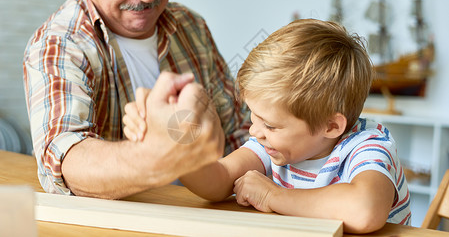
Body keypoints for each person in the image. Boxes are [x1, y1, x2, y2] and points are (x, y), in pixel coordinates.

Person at [124, 19, 411, 234]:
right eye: (254, 116)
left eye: (270, 125)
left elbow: (365, 210)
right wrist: (176, 147)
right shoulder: (273, 146)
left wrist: (274, 195)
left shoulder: (369, 145)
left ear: (331, 126)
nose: (254, 131)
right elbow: (219, 180)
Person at [23, 0, 250, 199]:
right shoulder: (58, 44)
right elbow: (66, 160)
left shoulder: (191, 27)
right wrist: (158, 155)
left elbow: (242, 134)